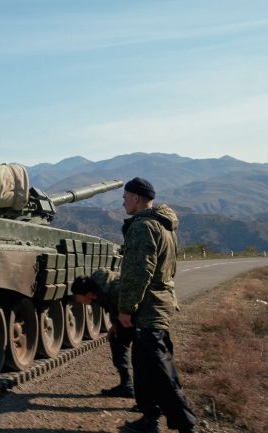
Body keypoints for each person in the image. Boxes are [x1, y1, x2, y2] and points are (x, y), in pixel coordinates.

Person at [117, 177, 197, 433]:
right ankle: (149, 417)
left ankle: (185, 422)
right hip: (158, 302)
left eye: (125, 196)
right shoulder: (164, 226)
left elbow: (138, 272)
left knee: (159, 367)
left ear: (136, 198)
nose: (123, 201)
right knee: (142, 363)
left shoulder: (143, 227)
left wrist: (127, 307)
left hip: (149, 306)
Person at [71, 269, 135, 398]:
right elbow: (112, 307)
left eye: (77, 296)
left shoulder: (114, 289)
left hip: (140, 316)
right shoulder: (97, 292)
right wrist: (115, 325)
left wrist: (122, 324)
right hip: (126, 316)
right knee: (116, 339)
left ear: (87, 294)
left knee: (144, 355)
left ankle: (150, 397)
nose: (77, 300)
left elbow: (129, 305)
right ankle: (127, 385)